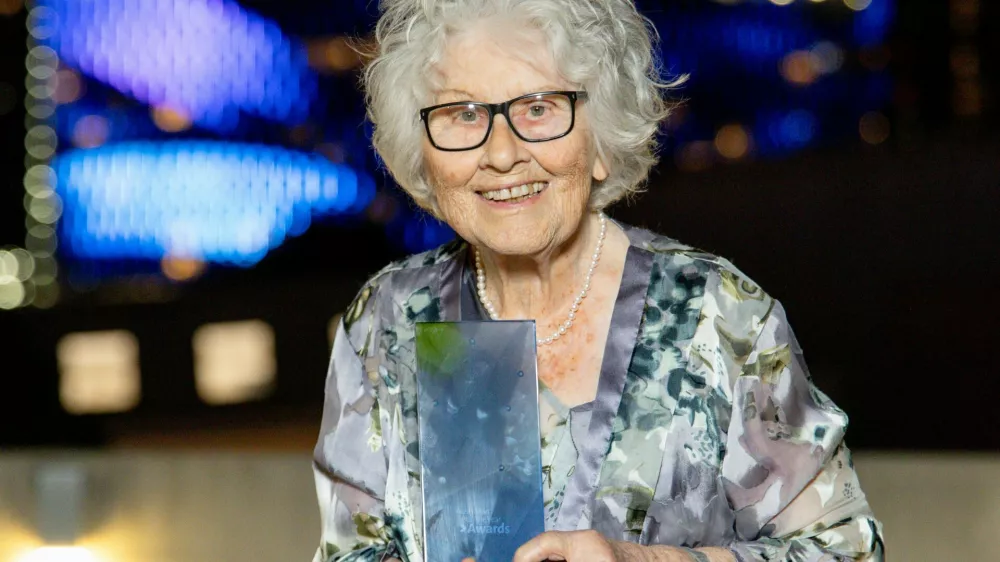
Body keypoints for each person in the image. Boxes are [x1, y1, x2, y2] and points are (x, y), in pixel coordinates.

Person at [312, 0, 884, 560]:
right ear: (426, 156)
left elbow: (845, 550)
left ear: (601, 139)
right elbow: (350, 552)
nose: (502, 153)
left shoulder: (720, 316)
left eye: (539, 108)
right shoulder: (388, 320)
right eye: (464, 114)